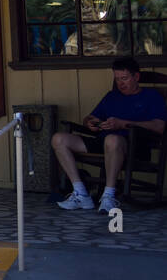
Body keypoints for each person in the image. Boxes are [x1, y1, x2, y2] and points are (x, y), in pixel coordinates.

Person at [51, 57, 166, 212]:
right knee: (59, 139)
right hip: (103, 141)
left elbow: (160, 126)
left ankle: (109, 196)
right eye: (117, 79)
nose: (120, 83)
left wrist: (122, 123)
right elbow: (90, 118)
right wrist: (91, 122)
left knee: (112, 140)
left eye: (124, 78)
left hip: (135, 146)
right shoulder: (111, 96)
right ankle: (81, 193)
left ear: (136, 77)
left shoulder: (152, 96)